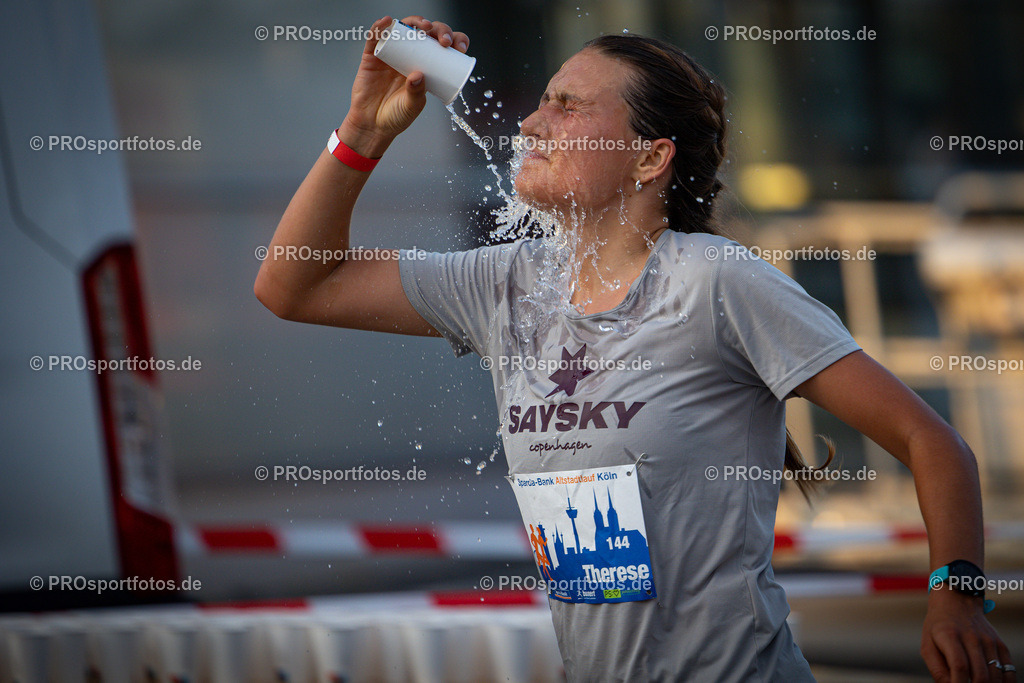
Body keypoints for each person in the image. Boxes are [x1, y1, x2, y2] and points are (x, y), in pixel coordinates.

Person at [254, 14, 1015, 682]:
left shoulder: (715, 281)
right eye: (542, 99)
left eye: (566, 104)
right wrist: (361, 133)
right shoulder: (509, 283)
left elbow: (932, 439)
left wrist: (955, 599)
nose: (529, 123)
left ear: (651, 159)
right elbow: (293, 288)